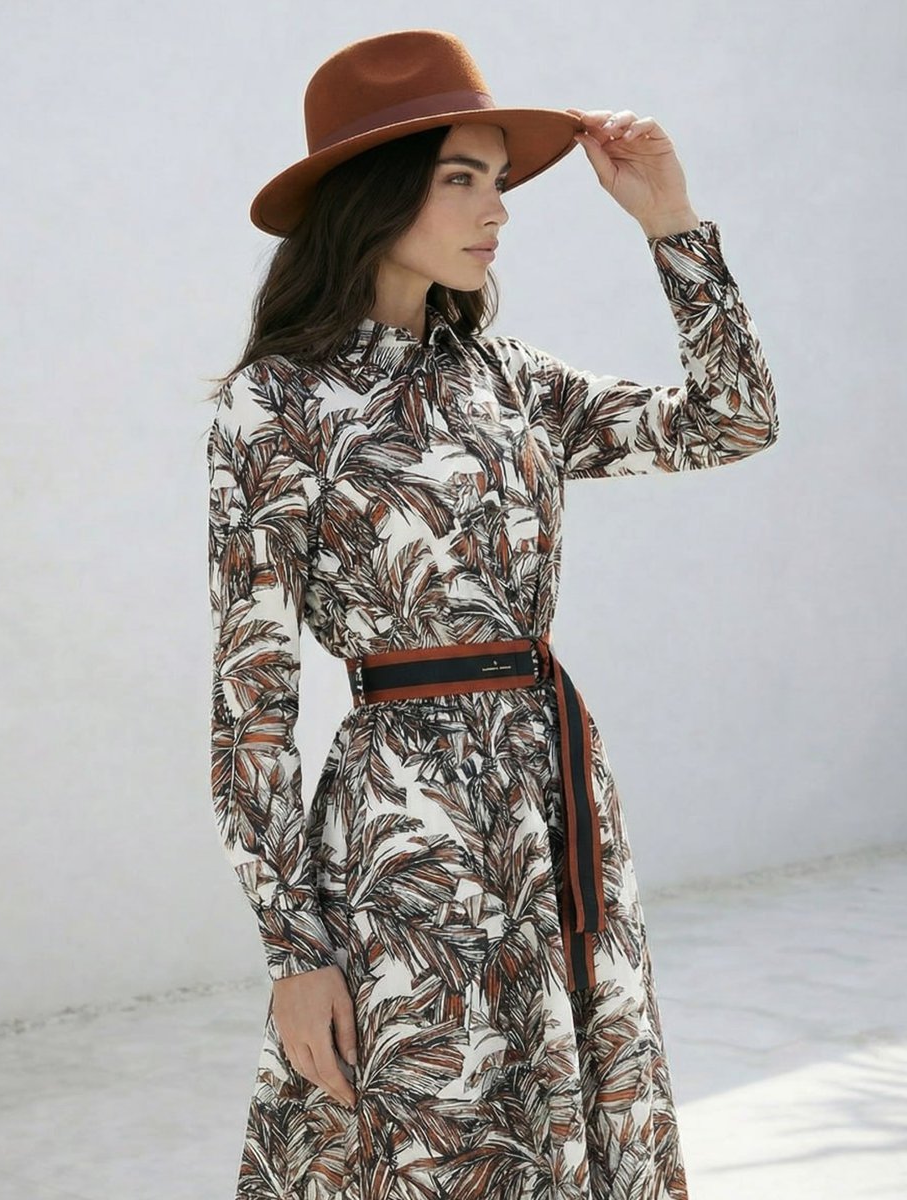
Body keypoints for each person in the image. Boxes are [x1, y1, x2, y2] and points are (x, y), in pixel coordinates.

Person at [205, 28, 778, 1200]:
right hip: (405, 833)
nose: (497, 209)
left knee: (571, 1110)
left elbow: (733, 419)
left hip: (554, 796)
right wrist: (294, 951)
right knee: (426, 1128)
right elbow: (251, 707)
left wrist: (671, 224)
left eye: (498, 178)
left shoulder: (512, 380)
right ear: (374, 195)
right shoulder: (277, 405)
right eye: (460, 178)